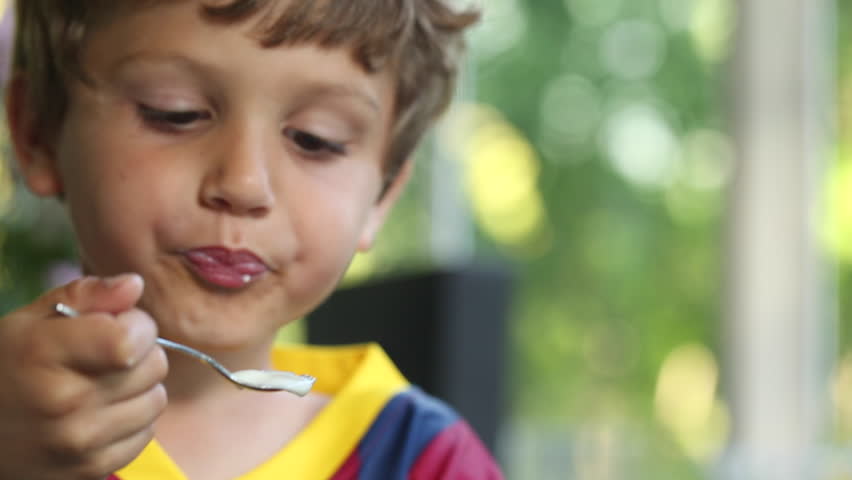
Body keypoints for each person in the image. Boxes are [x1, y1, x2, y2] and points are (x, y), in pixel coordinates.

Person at [0, 1, 504, 479]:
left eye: (315, 139)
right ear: (38, 133)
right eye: (175, 113)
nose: (244, 183)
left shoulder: (426, 461)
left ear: (382, 195)